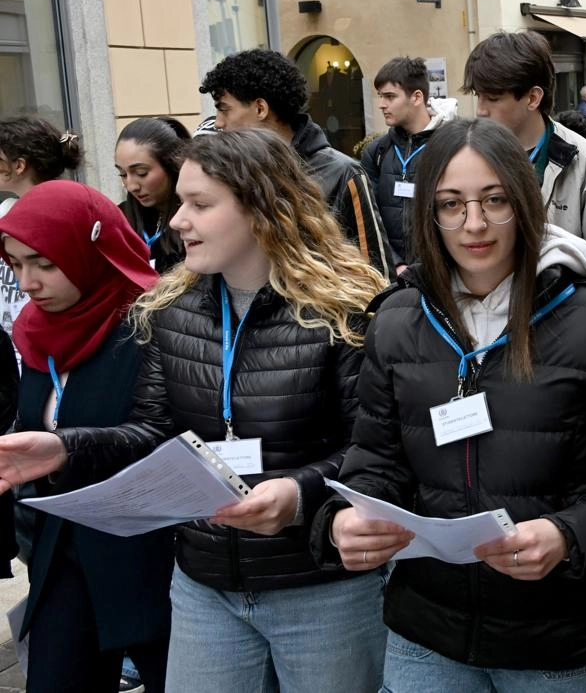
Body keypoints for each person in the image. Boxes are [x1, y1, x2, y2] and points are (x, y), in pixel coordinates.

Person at [0, 131, 392, 691]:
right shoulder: (170, 309)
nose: (177, 221)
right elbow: (155, 431)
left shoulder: (346, 311)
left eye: (200, 205)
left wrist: (300, 492)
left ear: (264, 208)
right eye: (181, 202)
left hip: (319, 585)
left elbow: (373, 449)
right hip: (204, 584)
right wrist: (66, 446)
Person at [319, 118, 586, 692]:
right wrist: (347, 521)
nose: (473, 224)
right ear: (429, 213)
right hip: (427, 635)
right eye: (451, 204)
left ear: (525, 202)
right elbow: (375, 456)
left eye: (494, 200)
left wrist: (569, 534)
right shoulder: (398, 319)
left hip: (560, 639)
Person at [0, 182, 165, 693]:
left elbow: (163, 433)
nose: (27, 282)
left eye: (45, 264)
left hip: (152, 556)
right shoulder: (34, 330)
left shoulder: (154, 324)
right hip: (62, 549)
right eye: (15, 264)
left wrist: (66, 448)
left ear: (90, 249)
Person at [200, 49, 395, 279]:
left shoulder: (344, 173)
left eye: (224, 109)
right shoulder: (233, 176)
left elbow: (376, 274)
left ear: (260, 109)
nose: (219, 123)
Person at [462, 30, 586, 267]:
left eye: (493, 98)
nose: (480, 109)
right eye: (478, 95)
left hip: (565, 303)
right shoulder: (464, 160)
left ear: (532, 98)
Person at [0, 116, 84, 344]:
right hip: (15, 334)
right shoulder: (6, 210)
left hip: (55, 332)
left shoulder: (68, 211)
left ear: (18, 165)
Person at [362, 56, 435, 272]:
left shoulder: (448, 148)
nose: (381, 104)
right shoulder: (376, 152)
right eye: (380, 96)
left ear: (416, 97)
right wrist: (397, 264)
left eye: (390, 97)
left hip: (439, 275)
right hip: (392, 275)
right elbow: (370, 218)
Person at [115, 116, 191, 273]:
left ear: (172, 165)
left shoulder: (194, 220)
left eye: (141, 173)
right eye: (122, 174)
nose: (130, 186)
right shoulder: (119, 219)